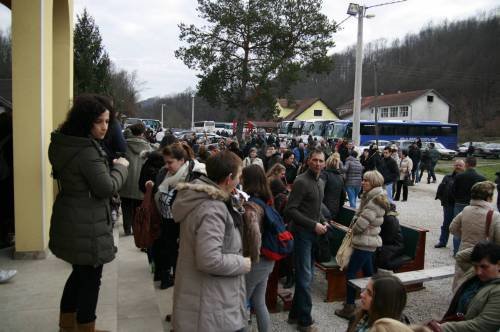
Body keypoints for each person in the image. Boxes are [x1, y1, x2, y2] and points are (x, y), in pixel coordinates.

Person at [49, 94, 129, 331]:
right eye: (99, 122)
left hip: (71, 216)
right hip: (86, 222)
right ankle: (85, 327)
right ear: (86, 122)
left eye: (107, 121)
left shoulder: (65, 142)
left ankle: (67, 325)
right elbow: (106, 187)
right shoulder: (87, 151)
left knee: (78, 275)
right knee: (91, 280)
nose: (105, 127)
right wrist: (121, 169)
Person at [170, 151, 251, 332]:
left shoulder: (204, 201)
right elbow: (209, 260)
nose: (240, 181)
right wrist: (242, 263)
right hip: (212, 308)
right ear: (229, 178)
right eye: (238, 176)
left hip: (208, 301)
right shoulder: (213, 209)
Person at [335, 170, 389, 319]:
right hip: (368, 242)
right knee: (368, 274)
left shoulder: (374, 201)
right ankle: (373, 305)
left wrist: (355, 224)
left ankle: (350, 306)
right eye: (363, 180)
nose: (363, 182)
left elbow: (360, 226)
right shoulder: (373, 197)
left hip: (364, 243)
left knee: (351, 274)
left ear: (374, 184)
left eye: (367, 181)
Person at [285, 148, 327, 332]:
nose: (318, 163)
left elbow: (315, 208)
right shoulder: (301, 181)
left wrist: (323, 221)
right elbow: (290, 211)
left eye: (321, 161)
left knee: (306, 276)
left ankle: (294, 315)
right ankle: (305, 321)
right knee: (305, 278)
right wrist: (313, 224)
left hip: (312, 234)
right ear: (309, 160)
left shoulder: (321, 181)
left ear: (324, 163)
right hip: (302, 235)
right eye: (315, 160)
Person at [154, 143, 206, 289]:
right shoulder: (165, 173)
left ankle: (178, 283)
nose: (166, 165)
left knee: (179, 258)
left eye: (170, 162)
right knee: (167, 251)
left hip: (182, 225)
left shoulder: (193, 175)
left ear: (182, 160)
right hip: (166, 221)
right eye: (165, 162)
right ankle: (167, 277)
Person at [431, 241, 500, 332]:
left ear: (499, 264)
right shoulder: (474, 273)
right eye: (475, 266)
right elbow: (460, 256)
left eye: (484, 267)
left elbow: (483, 325)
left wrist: (442, 328)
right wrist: (485, 248)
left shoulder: (497, 291)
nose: (478, 272)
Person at [241, 165, 276, 332]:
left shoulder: (250, 205)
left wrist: (251, 259)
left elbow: (254, 233)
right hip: (268, 258)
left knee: (240, 303)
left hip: (257, 260)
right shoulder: (266, 198)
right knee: (259, 302)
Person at [119, 123, 153, 235]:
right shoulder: (148, 147)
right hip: (140, 182)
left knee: (126, 206)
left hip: (126, 180)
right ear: (143, 133)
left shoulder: (124, 145)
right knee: (138, 207)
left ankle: (127, 228)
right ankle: (135, 228)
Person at [452, 157, 487, 254]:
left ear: (466, 164)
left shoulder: (459, 176)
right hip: (475, 204)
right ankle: (472, 252)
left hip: (459, 203)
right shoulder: (482, 178)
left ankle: (456, 251)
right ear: (476, 165)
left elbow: (453, 190)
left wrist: (457, 198)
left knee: (458, 227)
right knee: (474, 228)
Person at [434, 160, 465, 249]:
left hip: (461, 205)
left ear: (464, 167)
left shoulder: (465, 178)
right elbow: (441, 188)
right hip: (448, 205)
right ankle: (442, 241)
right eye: (456, 165)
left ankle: (459, 246)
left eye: (460, 165)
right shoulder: (448, 177)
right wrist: (441, 199)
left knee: (461, 226)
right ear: (453, 166)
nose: (458, 167)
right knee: (446, 224)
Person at [374, 204, 405, 271]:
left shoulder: (390, 219)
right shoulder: (386, 216)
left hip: (394, 247)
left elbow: (388, 239)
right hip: (389, 245)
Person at [322, 154, 347, 220]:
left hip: (323, 209)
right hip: (334, 210)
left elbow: (319, 192)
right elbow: (343, 196)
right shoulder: (340, 178)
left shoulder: (324, 175)